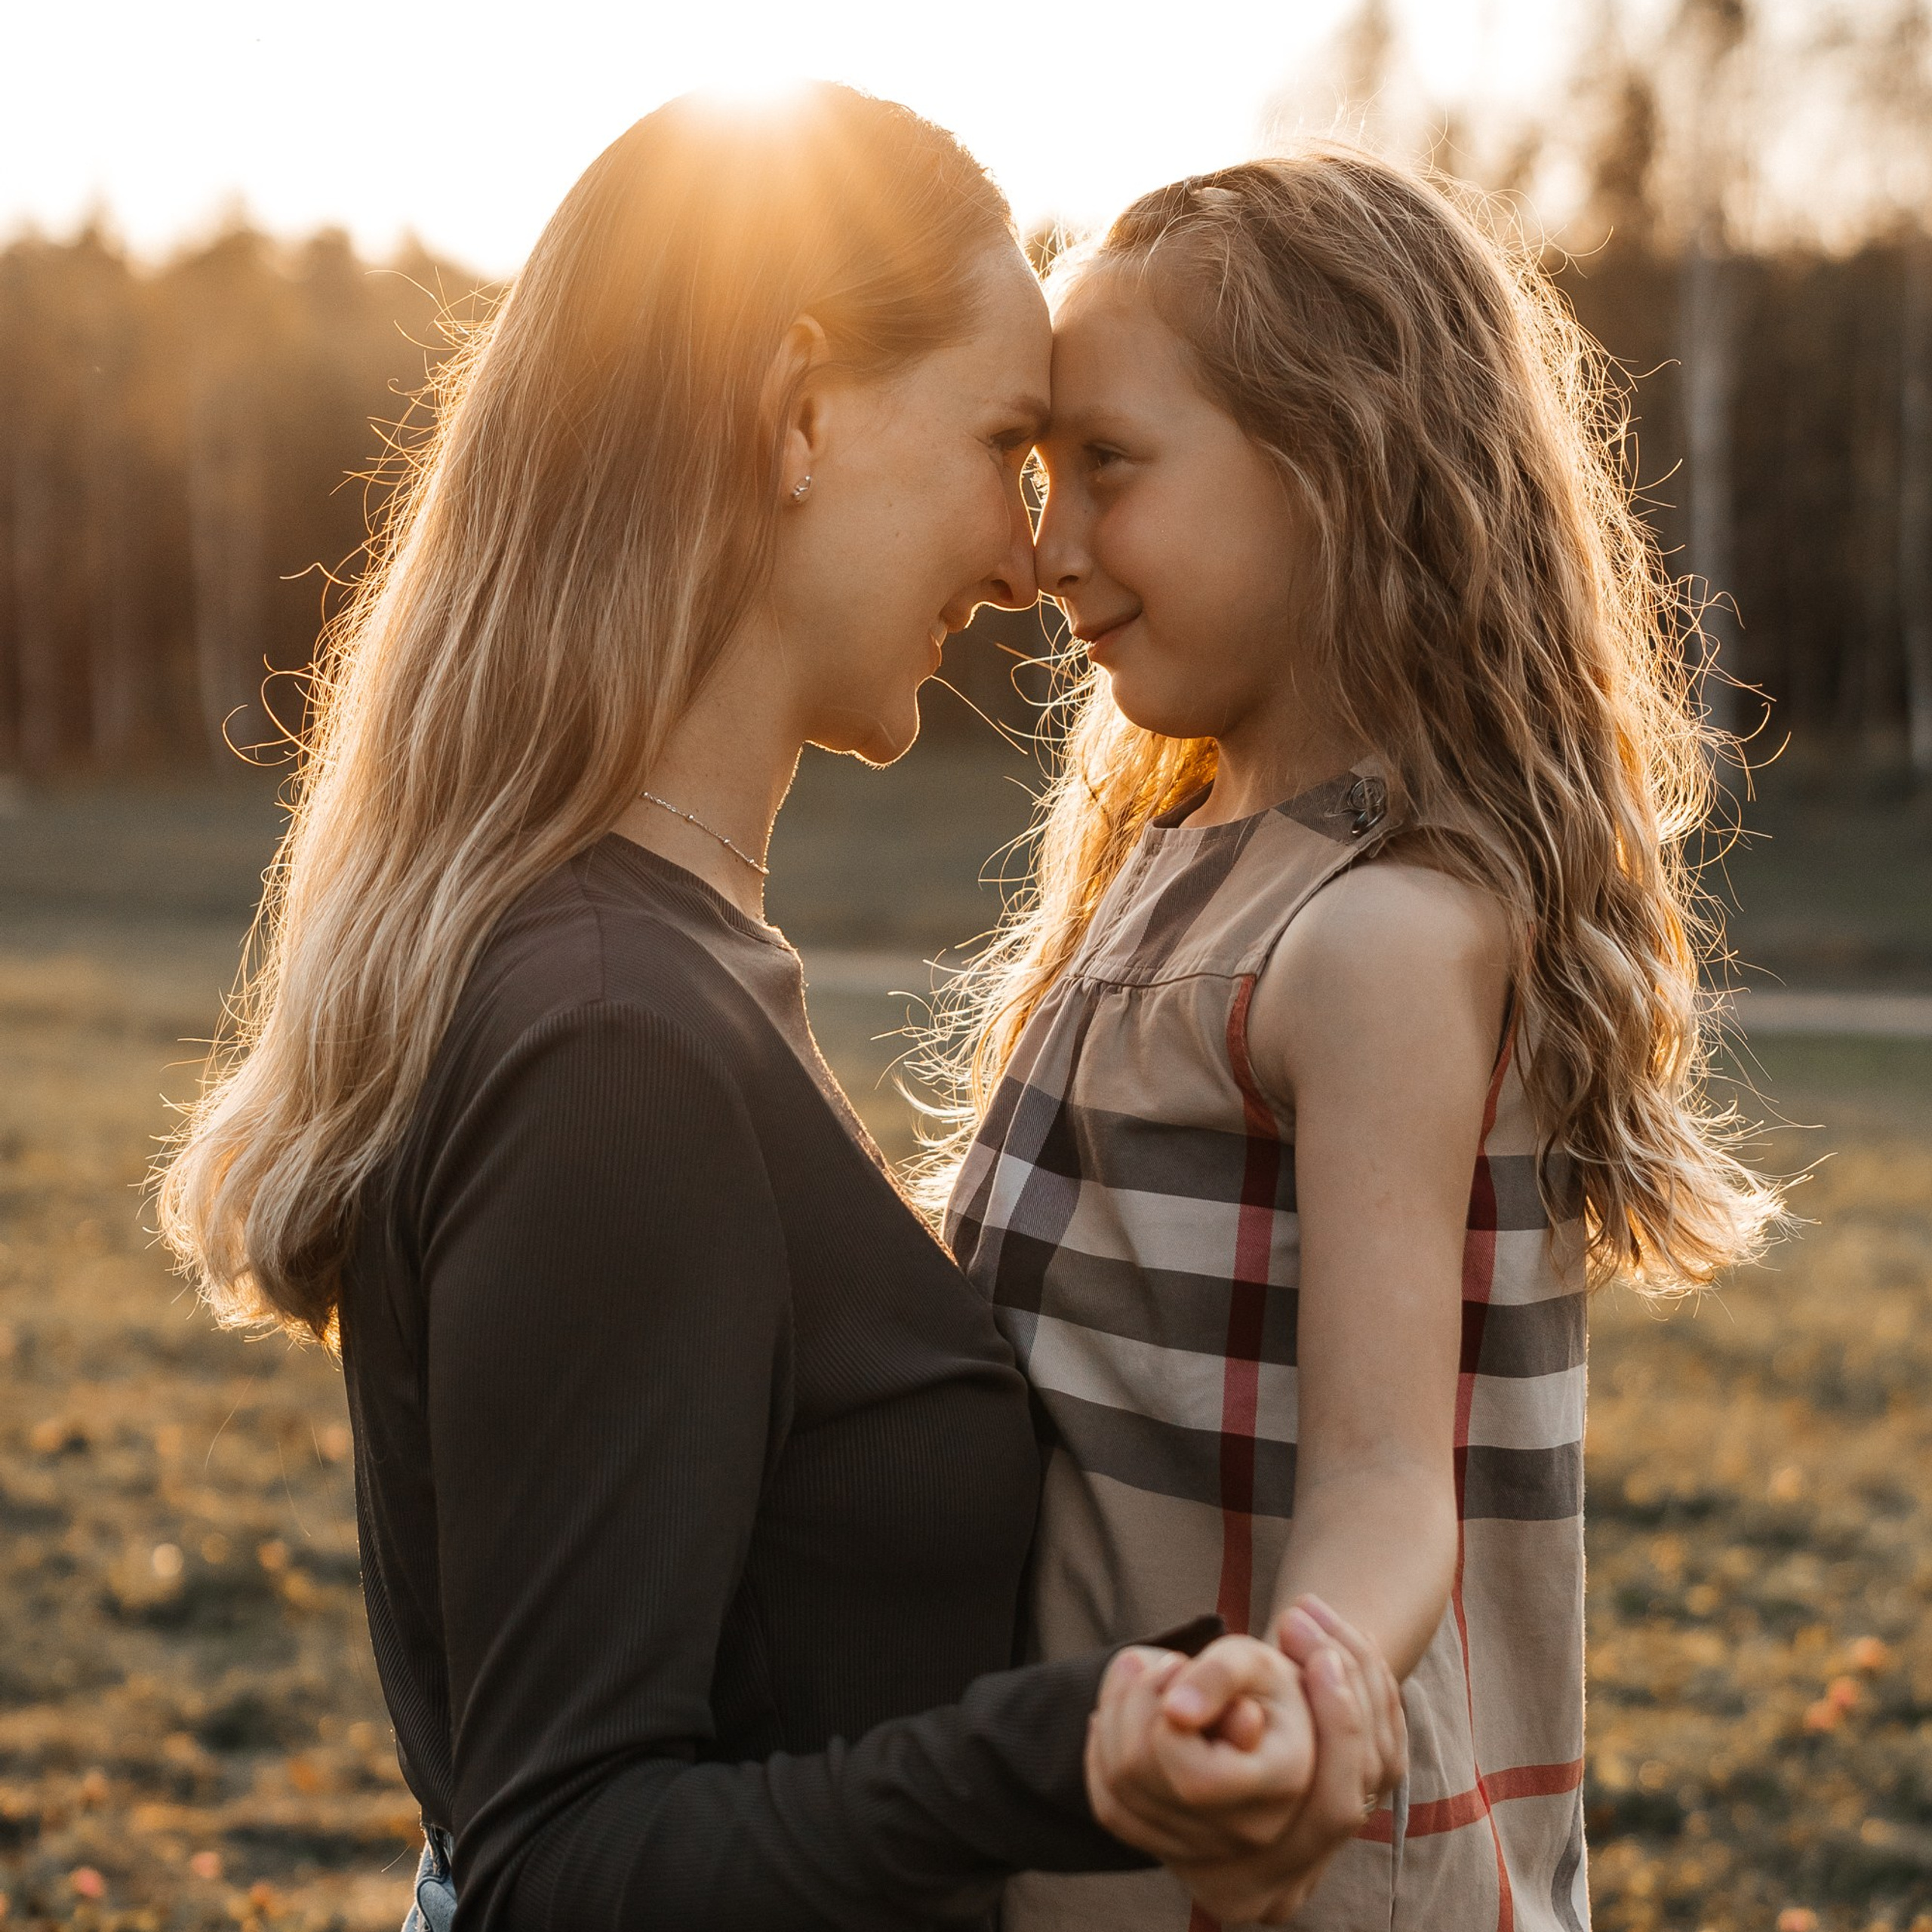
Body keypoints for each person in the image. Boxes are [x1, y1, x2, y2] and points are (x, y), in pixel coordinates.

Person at [154, 88, 1401, 1932]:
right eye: (1002, 443)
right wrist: (1056, 1758)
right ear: (798, 411)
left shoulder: (663, 963)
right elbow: (559, 1862)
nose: (1024, 555)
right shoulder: (611, 1036)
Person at [937, 148, 1783, 1930]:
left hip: (1286, 1870)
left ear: (1336, 463)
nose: (1042, 547)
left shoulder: (1380, 935)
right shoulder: (1172, 871)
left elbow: (1391, 1478)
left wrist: (1308, 1683)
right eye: (1033, 473)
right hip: (1096, 1842)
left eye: (1106, 465)